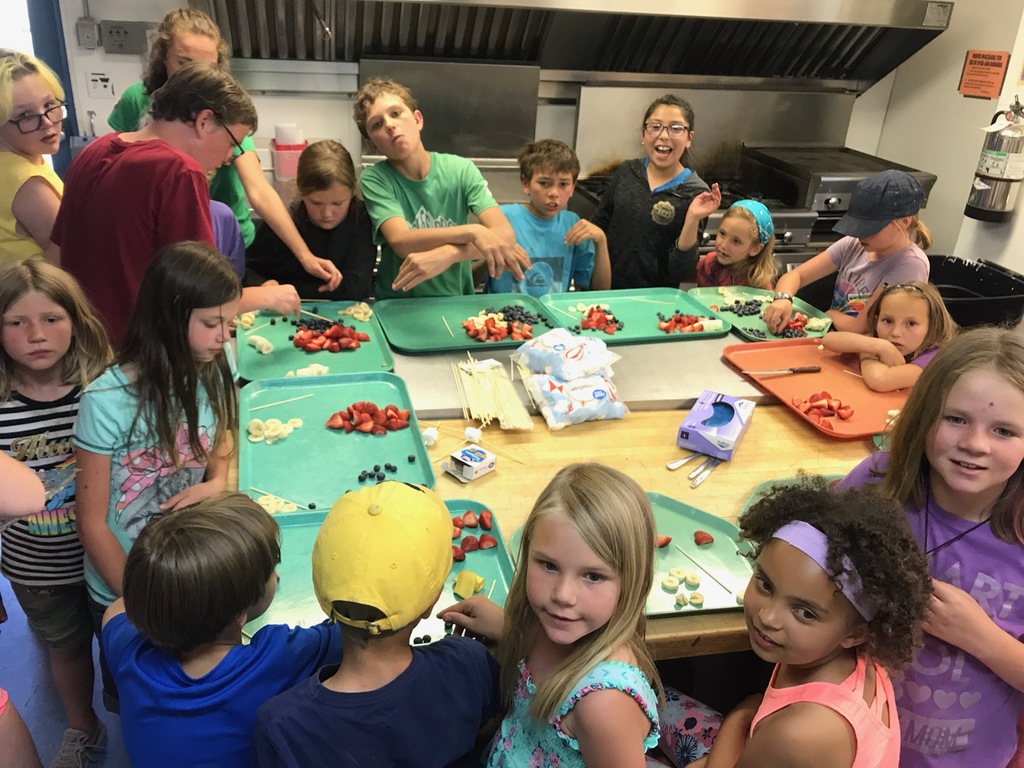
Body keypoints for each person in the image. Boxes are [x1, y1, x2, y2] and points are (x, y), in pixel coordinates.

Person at [838, 327, 1024, 768]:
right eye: (955, 419)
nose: (975, 444)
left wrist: (982, 638)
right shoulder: (877, 483)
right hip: (850, 747)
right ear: (924, 415)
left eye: (1004, 431)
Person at [73, 241, 242, 710]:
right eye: (211, 323)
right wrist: (142, 604)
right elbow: (91, 523)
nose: (224, 337)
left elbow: (223, 429)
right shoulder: (105, 401)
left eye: (230, 324)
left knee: (193, 688)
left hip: (189, 573)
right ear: (169, 317)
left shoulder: (214, 365)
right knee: (136, 698)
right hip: (123, 587)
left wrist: (216, 480)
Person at [252, 481, 501, 767]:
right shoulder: (469, 663)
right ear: (431, 601)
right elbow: (491, 732)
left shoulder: (281, 727)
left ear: (321, 593)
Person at [52, 60, 299, 346]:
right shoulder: (179, 171)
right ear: (204, 121)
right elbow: (200, 296)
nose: (228, 157)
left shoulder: (94, 151)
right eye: (233, 143)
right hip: (140, 349)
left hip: (85, 342)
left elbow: (58, 251)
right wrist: (265, 296)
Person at [691, 479, 931, 768]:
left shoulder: (801, 734)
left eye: (805, 613)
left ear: (856, 633)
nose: (768, 617)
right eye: (765, 584)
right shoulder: (848, 657)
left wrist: (739, 718)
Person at [441, 463, 663, 767]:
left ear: (633, 581)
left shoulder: (604, 706)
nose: (562, 595)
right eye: (549, 565)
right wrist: (508, 628)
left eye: (593, 576)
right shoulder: (547, 626)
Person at [106, 7, 341, 292]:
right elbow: (119, 171)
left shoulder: (226, 113)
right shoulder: (135, 103)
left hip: (222, 238)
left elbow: (259, 189)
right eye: (184, 62)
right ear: (163, 57)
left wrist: (304, 256)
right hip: (166, 239)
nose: (197, 76)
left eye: (208, 66)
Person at [101, 491, 342, 768]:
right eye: (269, 571)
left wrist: (165, 586)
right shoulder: (276, 658)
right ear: (238, 615)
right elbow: (350, 634)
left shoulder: (128, 652)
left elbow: (114, 611)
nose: (276, 575)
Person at [0, 260, 111, 766]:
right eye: (16, 322)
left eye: (51, 318)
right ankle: (83, 727)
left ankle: (136, 717)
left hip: (107, 561)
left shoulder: (103, 390)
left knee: (123, 645)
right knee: (64, 649)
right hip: (35, 567)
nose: (36, 335)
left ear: (76, 320)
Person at [354, 76, 530, 298]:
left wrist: (449, 255)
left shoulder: (461, 170)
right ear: (372, 144)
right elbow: (401, 241)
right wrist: (473, 232)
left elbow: (504, 236)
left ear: (417, 119)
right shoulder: (375, 178)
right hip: (398, 305)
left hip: (456, 301)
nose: (389, 125)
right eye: (377, 124)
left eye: (396, 113)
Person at [762, 169, 932, 335]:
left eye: (871, 228)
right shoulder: (854, 244)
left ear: (904, 222)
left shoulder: (911, 264)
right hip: (836, 335)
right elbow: (795, 276)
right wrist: (783, 298)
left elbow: (860, 328)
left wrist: (829, 314)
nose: (861, 234)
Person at [591, 94, 720, 289]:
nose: (664, 136)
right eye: (655, 126)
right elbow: (599, 224)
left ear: (689, 138)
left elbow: (681, 271)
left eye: (676, 128)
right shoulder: (628, 171)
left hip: (657, 300)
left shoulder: (696, 192)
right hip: (607, 293)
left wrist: (692, 219)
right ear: (644, 134)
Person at [246, 140, 376, 300]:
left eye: (337, 203)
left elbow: (355, 289)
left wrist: (285, 288)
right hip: (282, 309)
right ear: (300, 191)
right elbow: (249, 270)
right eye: (316, 203)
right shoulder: (281, 221)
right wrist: (262, 284)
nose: (327, 213)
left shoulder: (361, 219)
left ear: (352, 192)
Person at [482, 138, 610, 296]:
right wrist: (493, 255)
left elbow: (600, 292)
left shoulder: (572, 224)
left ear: (572, 188)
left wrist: (601, 241)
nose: (554, 193)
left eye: (563, 184)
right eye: (544, 183)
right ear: (526, 183)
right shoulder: (501, 218)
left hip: (552, 311)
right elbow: (468, 281)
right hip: (500, 310)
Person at [821, 281, 957, 392]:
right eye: (888, 321)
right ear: (876, 321)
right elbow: (828, 340)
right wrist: (879, 346)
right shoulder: (880, 341)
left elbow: (880, 380)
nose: (896, 333)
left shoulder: (934, 357)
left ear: (933, 326)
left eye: (911, 323)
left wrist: (865, 351)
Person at [0, 50, 65, 264]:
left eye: (49, 105)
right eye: (24, 115)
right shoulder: (25, 181)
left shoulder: (23, 160)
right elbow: (67, 255)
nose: (47, 122)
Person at [695, 200, 776, 290]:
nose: (723, 245)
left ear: (755, 249)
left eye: (736, 241)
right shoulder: (708, 263)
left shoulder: (758, 282)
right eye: (722, 233)